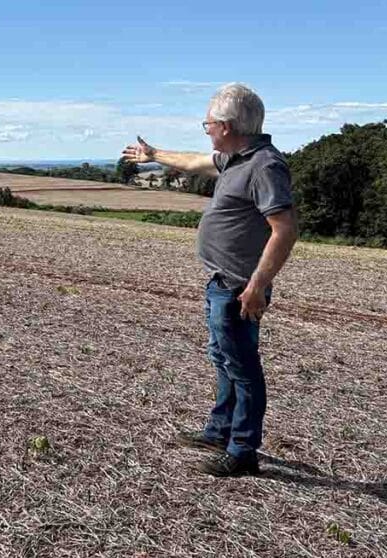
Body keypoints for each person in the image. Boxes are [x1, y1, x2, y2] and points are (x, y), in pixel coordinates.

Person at [121, 83, 298, 477]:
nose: (207, 130)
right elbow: (195, 162)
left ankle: (242, 451)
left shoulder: (264, 165)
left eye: (208, 124)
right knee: (224, 359)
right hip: (221, 282)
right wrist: (153, 155)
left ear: (229, 125)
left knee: (243, 367)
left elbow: (284, 229)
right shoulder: (235, 158)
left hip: (239, 287)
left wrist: (256, 285)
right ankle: (220, 431)